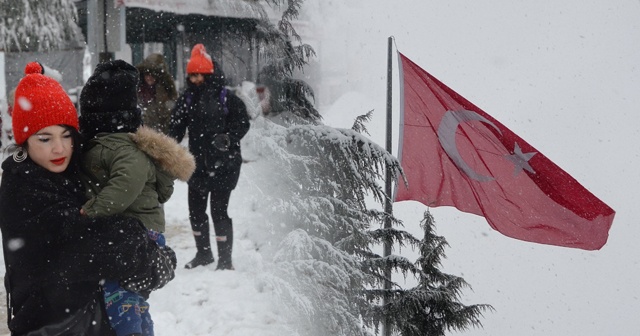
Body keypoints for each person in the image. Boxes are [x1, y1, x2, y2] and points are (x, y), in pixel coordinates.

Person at [0, 62, 176, 336]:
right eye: (44, 138)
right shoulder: (23, 186)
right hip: (51, 326)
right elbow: (85, 242)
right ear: (24, 141)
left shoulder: (71, 171)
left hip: (87, 321)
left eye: (66, 135)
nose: (59, 148)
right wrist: (147, 252)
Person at [78, 60, 194, 336]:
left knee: (120, 298)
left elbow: (127, 182)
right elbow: (160, 188)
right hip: (141, 230)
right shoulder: (129, 143)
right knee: (135, 299)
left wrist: (92, 209)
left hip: (134, 232)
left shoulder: (117, 146)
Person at [169, 44, 250, 270]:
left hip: (225, 165)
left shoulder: (227, 98)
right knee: (195, 211)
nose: (194, 79)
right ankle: (203, 254)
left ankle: (225, 260)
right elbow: (175, 128)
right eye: (191, 75)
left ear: (208, 74)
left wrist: (228, 138)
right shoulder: (187, 100)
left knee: (218, 211)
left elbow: (242, 122)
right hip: (197, 166)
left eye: (198, 75)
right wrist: (166, 149)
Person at [136, 54, 178, 134]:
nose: (149, 77)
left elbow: (170, 111)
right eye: (147, 74)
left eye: (152, 75)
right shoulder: (137, 87)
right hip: (141, 133)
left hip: (160, 132)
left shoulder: (166, 88)